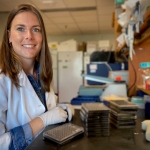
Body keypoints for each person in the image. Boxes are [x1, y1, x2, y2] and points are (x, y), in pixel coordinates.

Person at [0, 4, 74, 150]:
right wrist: (43, 120)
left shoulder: (43, 73)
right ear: (9, 36)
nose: (29, 35)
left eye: (36, 29)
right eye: (20, 28)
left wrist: (61, 109)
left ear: (42, 37)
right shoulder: (2, 80)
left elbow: (42, 109)